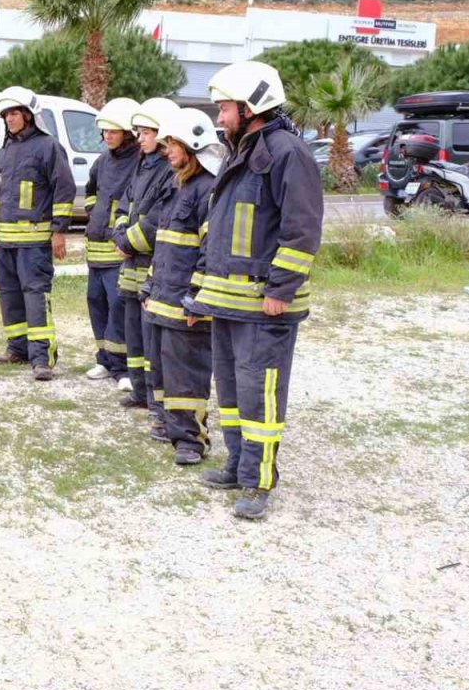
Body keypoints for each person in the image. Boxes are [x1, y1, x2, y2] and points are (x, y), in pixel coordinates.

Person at [191, 60, 323, 520]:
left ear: (251, 107)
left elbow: (302, 229)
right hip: (228, 304)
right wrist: (201, 291)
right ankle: (235, 463)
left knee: (260, 394)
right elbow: (221, 228)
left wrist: (282, 288)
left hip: (265, 306)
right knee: (229, 390)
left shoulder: (287, 153)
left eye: (225, 107)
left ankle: (258, 480)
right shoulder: (239, 151)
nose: (220, 116)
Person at [140, 108, 224, 466]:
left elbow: (211, 252)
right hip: (162, 298)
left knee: (185, 375)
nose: (167, 150)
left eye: (172, 144)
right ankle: (167, 422)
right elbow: (164, 244)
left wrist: (198, 298)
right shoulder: (178, 188)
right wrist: (148, 284)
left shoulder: (207, 191)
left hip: (185, 303)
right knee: (161, 369)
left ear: (192, 146)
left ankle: (191, 440)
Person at [0, 86, 77, 381]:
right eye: (6, 115)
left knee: (35, 298)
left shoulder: (49, 147)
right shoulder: (5, 151)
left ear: (28, 115)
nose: (10, 119)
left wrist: (59, 231)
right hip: (6, 242)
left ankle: (41, 360)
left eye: (14, 113)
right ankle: (17, 350)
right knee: (9, 296)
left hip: (35, 242)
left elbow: (65, 189)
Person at [112, 97, 179, 430]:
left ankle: (155, 399)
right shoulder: (142, 164)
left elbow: (157, 220)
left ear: (164, 134)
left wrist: (126, 242)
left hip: (151, 266)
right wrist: (120, 234)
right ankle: (139, 390)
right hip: (131, 268)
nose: (139, 138)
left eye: (146, 132)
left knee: (152, 338)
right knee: (134, 335)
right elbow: (125, 206)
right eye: (138, 132)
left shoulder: (171, 170)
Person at [82, 97, 141, 385]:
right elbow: (91, 190)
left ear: (128, 133)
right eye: (105, 131)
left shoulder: (140, 161)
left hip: (118, 249)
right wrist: (95, 211)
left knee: (120, 307)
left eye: (113, 131)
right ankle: (104, 359)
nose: (107, 136)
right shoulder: (102, 161)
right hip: (96, 249)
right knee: (97, 302)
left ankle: (124, 368)